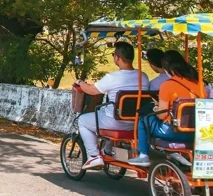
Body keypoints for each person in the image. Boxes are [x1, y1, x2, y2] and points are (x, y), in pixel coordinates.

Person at [74, 41, 149, 170]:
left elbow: (92, 90)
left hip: (115, 122)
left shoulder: (112, 78)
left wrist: (80, 83)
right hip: (137, 123)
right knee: (104, 113)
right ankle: (107, 151)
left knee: (83, 120)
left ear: (117, 58)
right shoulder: (143, 76)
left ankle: (93, 156)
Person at [129, 50, 204, 167]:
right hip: (195, 132)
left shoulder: (167, 85)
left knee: (143, 118)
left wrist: (156, 107)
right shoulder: (199, 84)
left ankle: (143, 155)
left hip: (172, 132)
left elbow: (162, 115)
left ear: (167, 68)